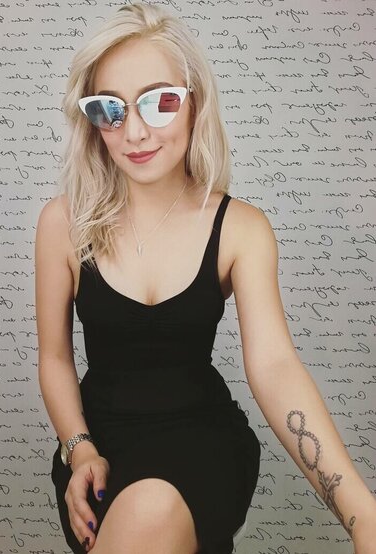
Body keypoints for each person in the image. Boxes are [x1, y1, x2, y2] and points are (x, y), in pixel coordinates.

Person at [34, 4, 376, 554]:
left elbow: (275, 367)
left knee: (151, 512)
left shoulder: (241, 229)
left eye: (160, 102)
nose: (135, 132)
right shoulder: (62, 223)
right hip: (98, 454)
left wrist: (361, 513)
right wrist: (79, 449)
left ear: (194, 102)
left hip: (204, 441)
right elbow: (54, 357)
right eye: (110, 109)